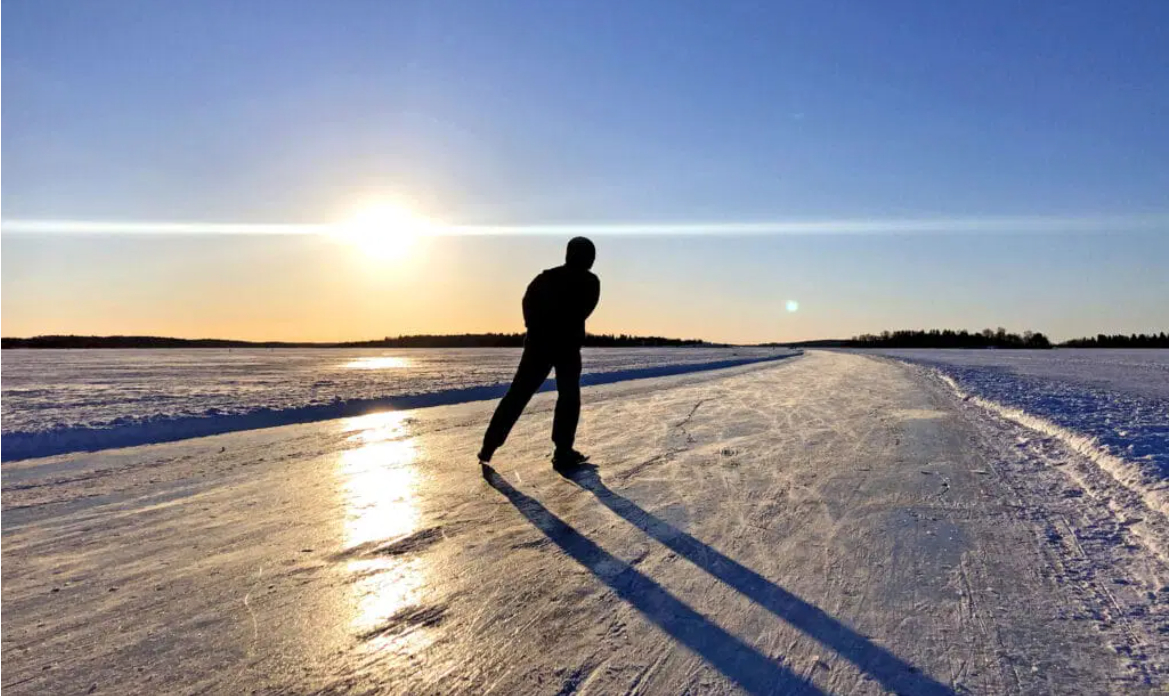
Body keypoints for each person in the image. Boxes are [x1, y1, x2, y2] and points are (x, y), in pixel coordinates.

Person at [479, 237, 600, 471]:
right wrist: (549, 327)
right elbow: (583, 310)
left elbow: (528, 302)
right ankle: (562, 451)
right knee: (567, 398)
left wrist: (536, 327)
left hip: (540, 345)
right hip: (563, 347)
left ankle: (489, 446)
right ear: (586, 257)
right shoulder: (589, 280)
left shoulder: (546, 277)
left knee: (519, 395)